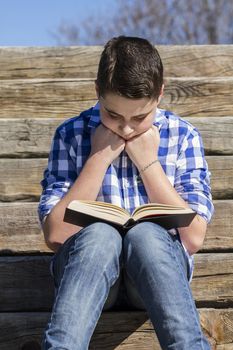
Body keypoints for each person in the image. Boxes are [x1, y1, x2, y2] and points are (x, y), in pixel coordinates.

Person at [38, 36, 214, 350]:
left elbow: (193, 238)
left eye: (139, 118)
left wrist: (148, 163)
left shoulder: (183, 135)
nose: (127, 129)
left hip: (154, 275)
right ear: (98, 92)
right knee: (101, 236)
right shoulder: (71, 134)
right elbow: (56, 235)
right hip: (86, 273)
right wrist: (99, 157)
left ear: (160, 94)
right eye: (114, 115)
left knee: (145, 234)